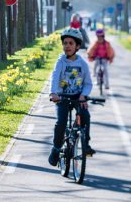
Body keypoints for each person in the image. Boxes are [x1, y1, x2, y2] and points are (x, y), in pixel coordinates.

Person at [48, 28, 95, 167]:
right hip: (62, 97)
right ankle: (56, 149)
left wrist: (83, 96)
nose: (67, 46)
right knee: (61, 122)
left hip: (77, 96)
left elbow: (88, 83)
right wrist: (53, 93)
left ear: (77, 46)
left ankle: (85, 144)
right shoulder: (61, 62)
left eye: (71, 43)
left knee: (85, 116)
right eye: (65, 43)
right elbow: (55, 77)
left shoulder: (82, 64)